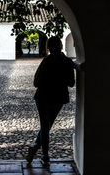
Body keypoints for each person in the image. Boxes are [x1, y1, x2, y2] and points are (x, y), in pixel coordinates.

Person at [26, 36, 76, 166]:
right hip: (58, 98)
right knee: (47, 126)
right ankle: (42, 152)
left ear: (48, 47)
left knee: (45, 125)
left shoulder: (46, 61)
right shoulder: (67, 62)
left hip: (42, 97)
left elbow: (36, 82)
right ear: (61, 46)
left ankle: (42, 151)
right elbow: (71, 83)